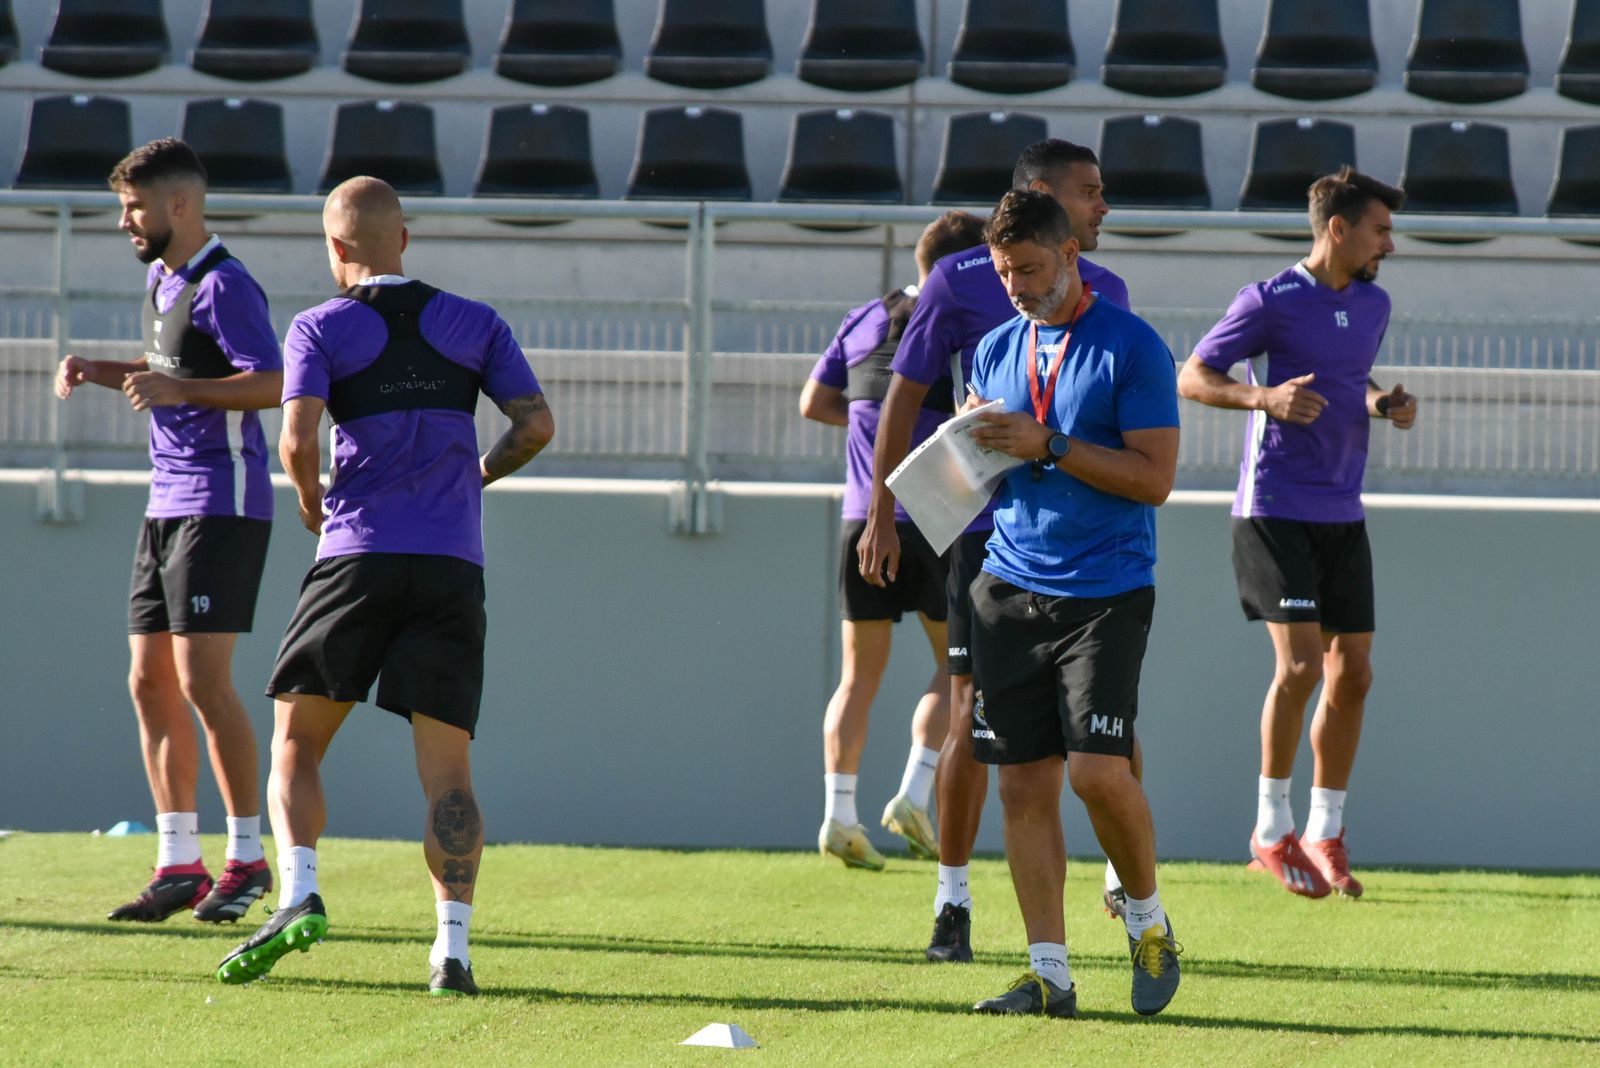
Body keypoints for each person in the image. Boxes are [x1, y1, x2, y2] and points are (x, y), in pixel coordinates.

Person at [214, 177, 554, 997]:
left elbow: (297, 439)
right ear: (404, 238)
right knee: (449, 776)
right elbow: (536, 424)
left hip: (356, 555)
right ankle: (453, 953)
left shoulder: (320, 326)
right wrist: (477, 473)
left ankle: (297, 891)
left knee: (296, 740)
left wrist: (309, 503)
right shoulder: (476, 322)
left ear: (335, 249)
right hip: (449, 565)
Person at [855, 139, 1140, 962]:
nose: (1103, 204)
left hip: (1083, 542)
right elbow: (906, 393)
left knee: (1109, 731)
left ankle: (1125, 886)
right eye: (1090, 191)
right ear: (1042, 195)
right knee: (971, 717)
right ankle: (952, 900)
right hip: (981, 538)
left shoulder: (1108, 293)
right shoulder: (958, 279)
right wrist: (882, 510)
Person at [963, 189, 1181, 1018]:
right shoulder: (992, 349)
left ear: (1070, 257)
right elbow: (995, 465)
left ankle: (1150, 921)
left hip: (1107, 590)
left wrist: (1045, 442)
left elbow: (1154, 480)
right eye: (1004, 272)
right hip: (1008, 583)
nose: (1016, 285)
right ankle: (1049, 973)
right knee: (1021, 789)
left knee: (1096, 773)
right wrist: (971, 438)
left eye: (1029, 269)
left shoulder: (1133, 348)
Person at [53, 138, 282, 925]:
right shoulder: (159, 278)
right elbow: (167, 376)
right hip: (167, 503)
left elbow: (274, 383)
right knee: (147, 680)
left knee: (201, 682)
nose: (125, 222)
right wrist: (98, 369)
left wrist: (175, 387)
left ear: (179, 205)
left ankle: (248, 858)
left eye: (134, 207)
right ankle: (178, 860)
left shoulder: (226, 285)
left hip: (223, 501)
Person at [1176, 166, 1414, 900]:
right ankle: (1270, 828)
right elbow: (1193, 375)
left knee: (1354, 674)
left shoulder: (1374, 303)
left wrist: (1382, 402)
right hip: (1274, 508)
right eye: (1380, 229)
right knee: (1303, 668)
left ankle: (1324, 832)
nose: (1389, 244)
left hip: (1344, 510)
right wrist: (1264, 397)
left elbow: (1350, 379)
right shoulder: (1268, 301)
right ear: (1337, 228)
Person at [800, 210, 987, 870]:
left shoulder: (862, 318)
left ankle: (838, 814)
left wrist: (866, 435)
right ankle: (913, 791)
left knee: (857, 678)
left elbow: (814, 402)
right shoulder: (958, 320)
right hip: (932, 512)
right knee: (956, 665)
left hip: (861, 517)